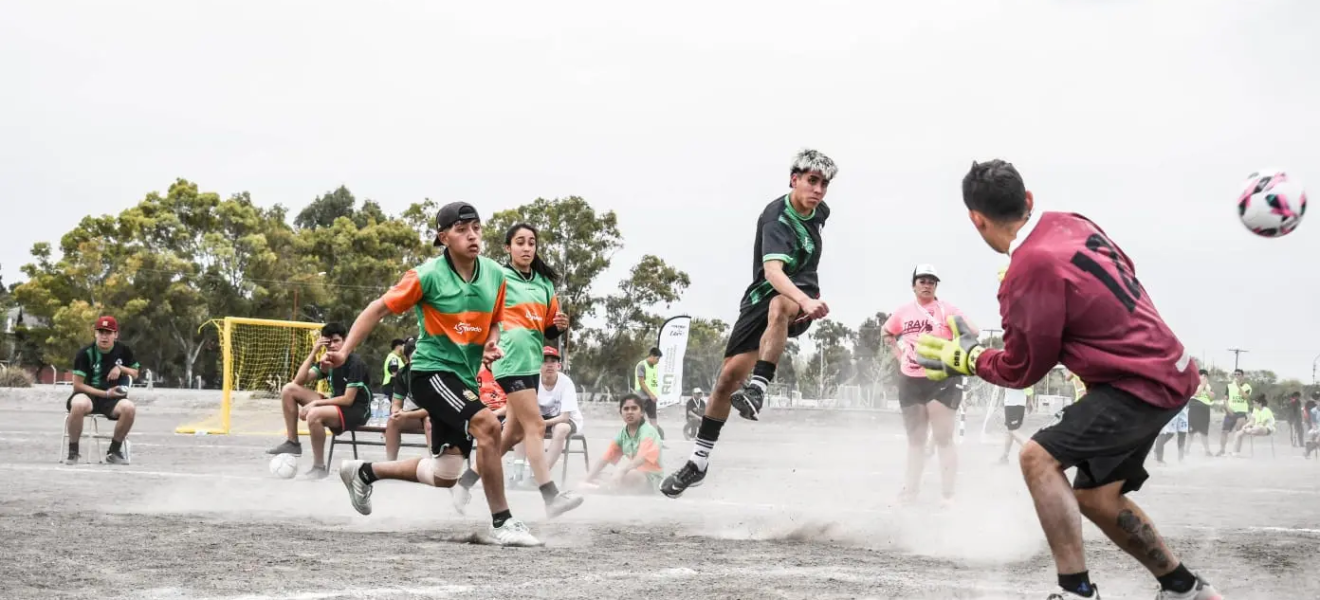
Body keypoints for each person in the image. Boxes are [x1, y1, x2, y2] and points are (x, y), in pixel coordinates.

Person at [915, 160, 1219, 599]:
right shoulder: (1071, 221)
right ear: (1029, 200)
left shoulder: (1026, 270)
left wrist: (968, 357)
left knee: (1037, 459)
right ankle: (1185, 588)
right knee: (1096, 497)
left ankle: (1076, 591)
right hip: (1170, 368)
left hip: (1140, 382)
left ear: (975, 219)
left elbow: (1022, 370)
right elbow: (1124, 270)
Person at [329, 201, 541, 547]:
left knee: (445, 473)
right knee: (489, 426)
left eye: (476, 228)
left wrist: (490, 343)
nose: (472, 236)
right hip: (431, 373)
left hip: (463, 377)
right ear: (444, 237)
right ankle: (504, 522)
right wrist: (345, 350)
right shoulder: (426, 275)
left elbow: (495, 323)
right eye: (461, 230)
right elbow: (377, 308)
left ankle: (364, 472)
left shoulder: (495, 275)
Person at [662, 149, 837, 498]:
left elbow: (786, 287)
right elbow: (772, 272)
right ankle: (698, 462)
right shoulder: (776, 219)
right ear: (794, 179)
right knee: (726, 380)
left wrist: (805, 299)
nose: (818, 190)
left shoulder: (821, 213)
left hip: (794, 299)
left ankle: (758, 387)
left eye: (824, 184)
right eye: (811, 181)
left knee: (781, 304)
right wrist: (804, 300)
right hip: (762, 298)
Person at [450, 222, 582, 519]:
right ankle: (550, 497)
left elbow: (547, 329)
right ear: (508, 247)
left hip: (530, 361)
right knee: (535, 426)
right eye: (520, 242)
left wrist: (557, 327)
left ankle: (463, 484)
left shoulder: (545, 285)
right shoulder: (497, 277)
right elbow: (478, 311)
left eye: (532, 243)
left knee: (512, 435)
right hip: (507, 359)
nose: (527, 248)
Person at [882, 264, 976, 505]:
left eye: (931, 281)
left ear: (936, 286)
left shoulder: (947, 310)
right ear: (913, 285)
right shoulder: (903, 312)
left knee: (943, 437)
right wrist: (898, 354)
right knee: (916, 439)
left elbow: (972, 332)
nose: (927, 284)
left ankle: (948, 495)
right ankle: (911, 492)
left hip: (941, 379)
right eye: (922, 280)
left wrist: (956, 349)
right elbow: (887, 332)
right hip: (910, 379)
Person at [265, 322, 371, 479]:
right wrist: (314, 351)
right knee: (288, 389)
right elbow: (299, 381)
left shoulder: (355, 363)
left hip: (357, 409)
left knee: (314, 414)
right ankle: (293, 443)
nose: (332, 346)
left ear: (346, 340)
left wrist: (315, 403)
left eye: (336, 341)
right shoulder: (328, 361)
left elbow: (348, 400)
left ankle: (319, 467)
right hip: (337, 403)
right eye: (328, 343)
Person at [66, 316, 139, 465]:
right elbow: (77, 385)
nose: (104, 336)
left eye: (108, 332)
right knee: (78, 404)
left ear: (115, 335)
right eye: (101, 332)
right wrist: (105, 393)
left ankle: (114, 451)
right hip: (87, 395)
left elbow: (135, 373)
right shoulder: (85, 353)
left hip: (113, 399)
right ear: (95, 333)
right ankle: (73, 451)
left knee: (129, 408)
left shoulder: (123, 351)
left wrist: (120, 368)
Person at [582, 394, 665, 494]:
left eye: (634, 408)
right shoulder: (623, 434)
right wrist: (586, 479)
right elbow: (605, 458)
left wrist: (622, 471)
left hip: (650, 479)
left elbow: (641, 458)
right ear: (621, 413)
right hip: (631, 473)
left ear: (642, 412)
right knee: (598, 475)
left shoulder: (648, 432)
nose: (630, 412)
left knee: (629, 474)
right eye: (626, 409)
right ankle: (605, 487)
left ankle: (606, 489)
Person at [384, 339, 432, 461]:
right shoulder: (403, 373)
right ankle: (390, 464)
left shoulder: (434, 372)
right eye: (415, 361)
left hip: (437, 414)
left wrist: (406, 414)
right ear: (407, 360)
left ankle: (435, 464)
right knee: (392, 422)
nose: (419, 365)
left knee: (429, 421)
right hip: (416, 413)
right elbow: (396, 402)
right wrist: (396, 413)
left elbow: (432, 409)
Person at [537, 346, 583, 473]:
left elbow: (565, 417)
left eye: (553, 361)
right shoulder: (533, 380)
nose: (549, 365)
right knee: (529, 428)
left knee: (561, 428)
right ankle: (522, 471)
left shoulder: (566, 383)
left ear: (559, 365)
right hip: (543, 419)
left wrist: (540, 423)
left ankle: (542, 474)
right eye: (545, 361)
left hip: (567, 419)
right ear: (538, 364)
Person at [1216, 369, 1252, 457]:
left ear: (1242, 376)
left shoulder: (1247, 386)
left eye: (1239, 374)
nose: (1236, 376)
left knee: (1239, 432)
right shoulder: (1229, 386)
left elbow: (1245, 396)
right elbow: (1225, 399)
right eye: (1235, 374)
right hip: (1230, 411)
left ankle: (1237, 451)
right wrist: (1228, 408)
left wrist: (1239, 386)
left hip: (1241, 412)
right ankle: (1222, 450)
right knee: (1224, 431)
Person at [633, 347, 665, 439]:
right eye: (657, 358)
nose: (658, 361)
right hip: (641, 398)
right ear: (651, 356)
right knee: (639, 419)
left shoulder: (654, 367)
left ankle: (655, 442)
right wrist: (651, 395)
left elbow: (653, 382)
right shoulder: (641, 365)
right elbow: (641, 382)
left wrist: (654, 395)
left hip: (651, 399)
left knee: (653, 420)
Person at [1186, 370, 1215, 457]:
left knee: (1204, 432)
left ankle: (1207, 451)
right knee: (1191, 432)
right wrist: (1202, 385)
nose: (1203, 378)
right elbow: (1197, 394)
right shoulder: (1193, 384)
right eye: (1201, 376)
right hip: (1194, 409)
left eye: (1205, 376)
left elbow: (1212, 397)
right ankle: (1186, 450)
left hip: (1205, 410)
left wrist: (1206, 386)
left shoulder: (1208, 386)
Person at [999, 386, 1029, 464]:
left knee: (1013, 431)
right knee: (1009, 431)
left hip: (1012, 404)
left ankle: (1032, 449)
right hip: (1021, 403)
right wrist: (1029, 401)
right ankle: (1005, 457)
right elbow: (1029, 384)